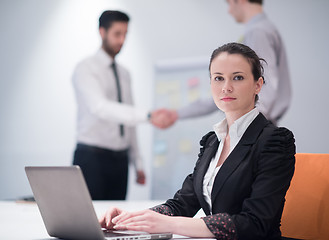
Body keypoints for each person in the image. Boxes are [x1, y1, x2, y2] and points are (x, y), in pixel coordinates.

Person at [99, 43, 296, 239]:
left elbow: (254, 224)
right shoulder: (213, 142)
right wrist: (131, 218)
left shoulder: (275, 141)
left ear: (258, 85)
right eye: (218, 78)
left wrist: (170, 223)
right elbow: (182, 204)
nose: (226, 87)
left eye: (237, 77)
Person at [154, 0, 291, 127]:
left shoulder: (258, 32)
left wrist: (249, 127)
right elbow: (226, 92)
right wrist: (178, 114)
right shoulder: (260, 30)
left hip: (255, 127)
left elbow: (266, 87)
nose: (229, 11)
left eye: (229, 3)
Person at [72, 10, 157, 200]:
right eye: (117, 34)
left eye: (125, 34)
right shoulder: (85, 69)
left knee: (115, 220)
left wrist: (138, 162)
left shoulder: (125, 73)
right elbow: (100, 108)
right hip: (91, 158)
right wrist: (148, 115)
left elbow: (128, 120)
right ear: (102, 32)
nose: (122, 40)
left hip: (120, 161)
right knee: (88, 220)